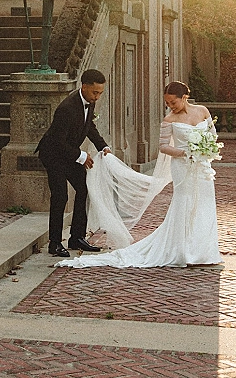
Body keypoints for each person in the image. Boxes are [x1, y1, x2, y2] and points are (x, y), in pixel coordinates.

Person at [57, 81, 223, 269]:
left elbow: (212, 135)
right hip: (182, 166)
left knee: (204, 203)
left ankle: (204, 250)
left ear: (184, 97)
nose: (170, 107)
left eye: (173, 102)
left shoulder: (203, 111)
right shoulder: (169, 120)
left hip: (202, 166)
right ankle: (183, 250)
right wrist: (185, 153)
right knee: (184, 203)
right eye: (167, 103)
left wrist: (206, 150)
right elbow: (163, 147)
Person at [36, 69, 111, 258]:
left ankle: (76, 237)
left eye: (101, 93)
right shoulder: (66, 108)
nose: (97, 97)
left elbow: (89, 127)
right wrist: (81, 156)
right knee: (60, 196)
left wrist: (103, 146)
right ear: (84, 87)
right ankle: (54, 243)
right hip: (53, 155)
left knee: (84, 188)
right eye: (95, 93)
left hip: (68, 154)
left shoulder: (89, 102)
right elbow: (57, 142)